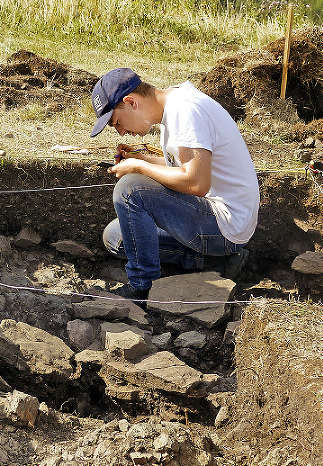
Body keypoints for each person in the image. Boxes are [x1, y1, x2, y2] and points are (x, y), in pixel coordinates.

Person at [90, 68, 260, 304]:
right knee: (116, 237)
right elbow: (185, 165)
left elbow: (195, 182)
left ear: (131, 102)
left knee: (130, 189)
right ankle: (215, 262)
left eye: (117, 122)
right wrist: (143, 159)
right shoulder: (174, 107)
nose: (120, 131)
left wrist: (138, 169)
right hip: (214, 219)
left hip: (225, 224)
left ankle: (141, 287)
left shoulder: (185, 110)